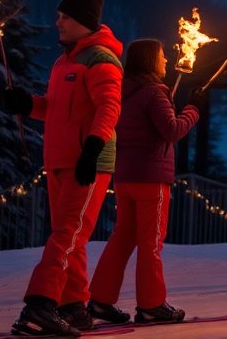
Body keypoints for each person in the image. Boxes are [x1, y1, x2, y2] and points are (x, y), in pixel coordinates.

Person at [1, 0, 123, 337]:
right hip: (58, 160)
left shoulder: (101, 59)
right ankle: (73, 306)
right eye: (58, 16)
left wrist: (93, 149)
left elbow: (109, 107)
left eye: (64, 17)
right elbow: (55, 109)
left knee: (67, 234)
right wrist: (27, 104)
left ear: (83, 21)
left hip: (88, 161)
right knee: (71, 236)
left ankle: (41, 303)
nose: (58, 22)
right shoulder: (63, 62)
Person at [87, 39, 203, 325]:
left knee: (123, 238)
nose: (165, 60)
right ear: (150, 60)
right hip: (151, 179)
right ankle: (152, 305)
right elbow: (172, 130)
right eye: (162, 56)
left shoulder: (123, 91)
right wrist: (193, 109)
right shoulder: (154, 93)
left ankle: (100, 299)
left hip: (125, 177)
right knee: (151, 243)